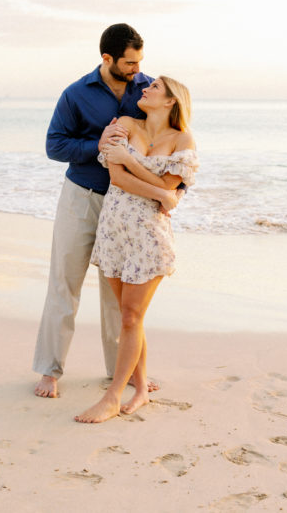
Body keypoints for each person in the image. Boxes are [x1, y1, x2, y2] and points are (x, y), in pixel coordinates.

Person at [32, 23, 176, 399]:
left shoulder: (147, 91)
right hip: (82, 196)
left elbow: (170, 141)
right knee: (64, 284)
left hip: (129, 205)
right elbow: (54, 146)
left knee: (121, 293)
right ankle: (49, 371)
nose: (137, 70)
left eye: (139, 61)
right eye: (129, 63)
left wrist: (171, 192)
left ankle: (122, 370)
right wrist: (96, 146)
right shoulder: (76, 94)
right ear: (107, 58)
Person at [74, 75, 197, 423]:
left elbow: (168, 181)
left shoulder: (182, 139)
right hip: (114, 228)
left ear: (171, 101)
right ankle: (141, 388)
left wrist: (132, 163)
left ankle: (114, 395)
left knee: (130, 316)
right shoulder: (126, 124)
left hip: (149, 233)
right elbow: (119, 178)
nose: (145, 89)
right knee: (130, 317)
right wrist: (161, 194)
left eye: (155, 87)